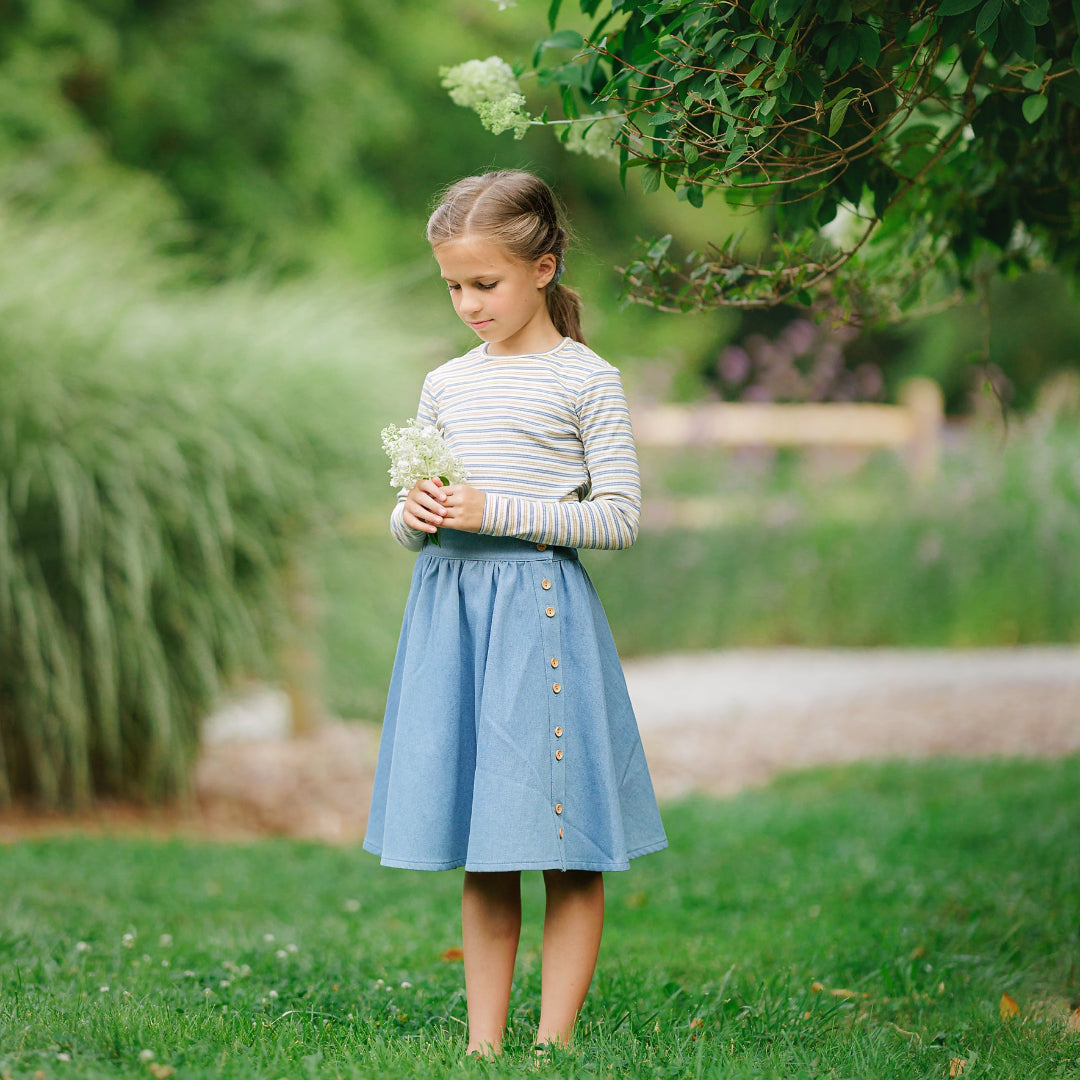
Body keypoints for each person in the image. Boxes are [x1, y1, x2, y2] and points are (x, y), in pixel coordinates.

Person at [363, 170, 667, 1057]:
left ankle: (554, 1043)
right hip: (453, 620)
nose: (467, 303)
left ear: (544, 267)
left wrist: (494, 510)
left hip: (538, 618)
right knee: (484, 842)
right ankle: (484, 1047)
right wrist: (412, 516)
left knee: (561, 835)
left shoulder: (588, 381)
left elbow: (617, 518)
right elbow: (423, 505)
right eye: (453, 285)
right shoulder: (446, 384)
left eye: (484, 284)